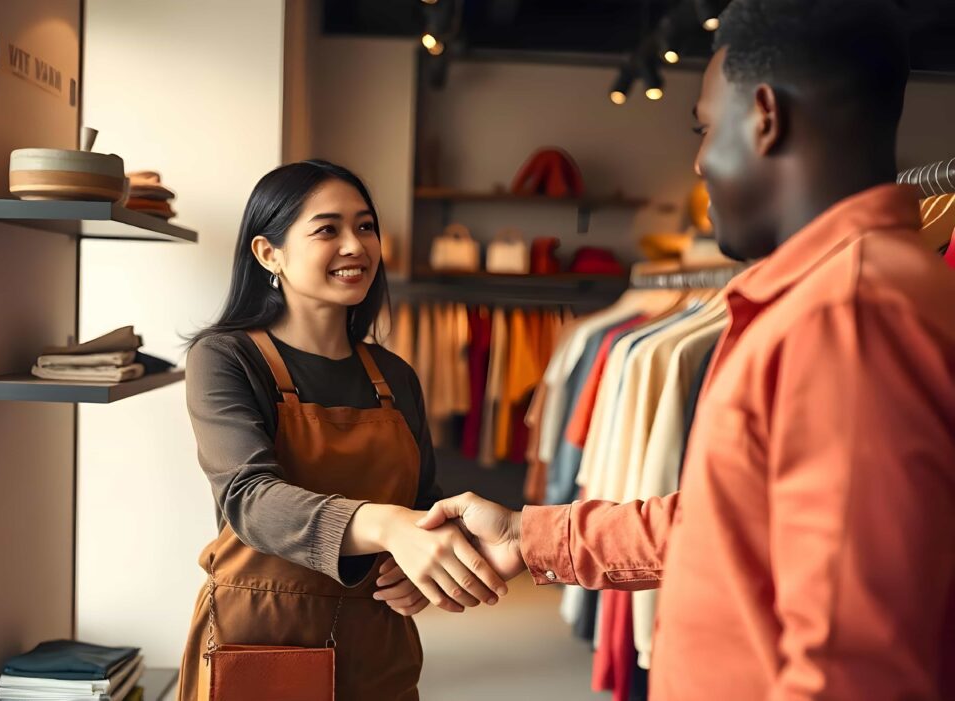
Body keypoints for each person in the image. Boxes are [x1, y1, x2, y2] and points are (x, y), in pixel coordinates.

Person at [408, 1, 955, 699]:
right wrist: (525, 532)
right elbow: (723, 524)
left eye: (705, 129)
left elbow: (855, 668)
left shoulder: (848, 320)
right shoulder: (823, 302)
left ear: (764, 116)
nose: (698, 161)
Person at [175, 161, 506, 701]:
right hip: (262, 641)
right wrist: (386, 526)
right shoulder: (225, 357)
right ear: (268, 253)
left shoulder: (395, 375)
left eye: (366, 226)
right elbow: (249, 498)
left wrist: (414, 562)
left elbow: (424, 504)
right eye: (328, 229)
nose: (356, 245)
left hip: (377, 643)